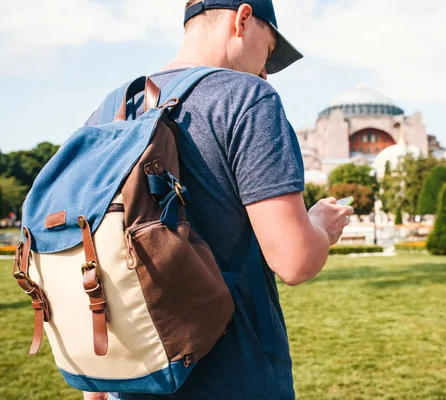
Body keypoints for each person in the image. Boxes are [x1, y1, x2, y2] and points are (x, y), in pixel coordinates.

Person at [82, 0, 354, 399]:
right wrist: (322, 227)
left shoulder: (109, 110)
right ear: (242, 19)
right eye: (270, 48)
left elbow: (91, 250)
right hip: (235, 374)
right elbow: (294, 261)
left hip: (130, 375)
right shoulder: (247, 98)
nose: (266, 69)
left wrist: (96, 384)